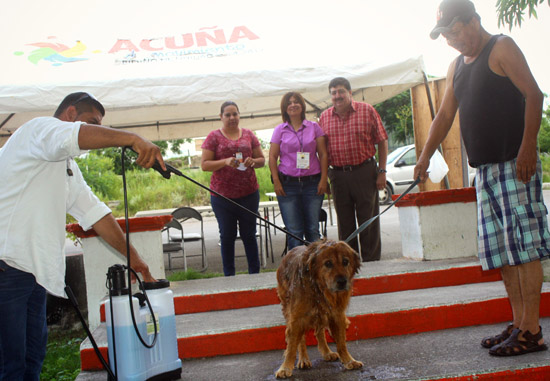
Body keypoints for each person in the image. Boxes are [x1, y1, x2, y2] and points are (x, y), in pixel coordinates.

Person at [415, 0, 549, 356]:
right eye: (445, 35)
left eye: (455, 31)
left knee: (524, 248)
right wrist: (425, 156)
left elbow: (534, 95)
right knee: (504, 253)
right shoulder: (457, 65)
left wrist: (527, 149)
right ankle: (519, 323)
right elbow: (444, 116)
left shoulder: (500, 46)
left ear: (473, 20)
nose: (452, 41)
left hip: (514, 164)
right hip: (485, 171)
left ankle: (532, 330)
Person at [0, 92, 164, 380]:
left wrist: (138, 263)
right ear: (70, 113)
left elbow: (97, 215)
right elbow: (78, 135)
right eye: (93, 122)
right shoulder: (38, 130)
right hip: (7, 268)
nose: (98, 130)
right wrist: (132, 138)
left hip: (33, 276)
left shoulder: (66, 167)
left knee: (31, 360)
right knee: (9, 365)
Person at [319, 77, 388, 262]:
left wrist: (382, 171)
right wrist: (323, 178)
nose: (337, 96)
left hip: (364, 172)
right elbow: (322, 151)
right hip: (338, 176)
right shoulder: (324, 117)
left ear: (350, 93)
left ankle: (372, 264)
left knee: (368, 222)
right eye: (333, 93)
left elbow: (382, 141)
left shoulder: (367, 110)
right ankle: (349, 265)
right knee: (345, 225)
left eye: (341, 91)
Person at [201, 101, 266, 276]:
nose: (232, 118)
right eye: (228, 115)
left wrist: (254, 161)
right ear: (221, 117)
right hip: (223, 197)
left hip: (249, 194)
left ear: (239, 115)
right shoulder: (213, 137)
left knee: (249, 235)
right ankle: (229, 277)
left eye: (235, 114)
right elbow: (205, 165)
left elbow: (262, 160)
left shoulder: (249, 135)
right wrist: (225, 161)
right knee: (227, 236)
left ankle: (255, 274)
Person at [269, 92, 328, 250]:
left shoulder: (314, 127)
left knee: (312, 230)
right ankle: (296, 272)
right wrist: (276, 182)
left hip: (312, 184)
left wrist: (323, 180)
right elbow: (272, 157)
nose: (293, 105)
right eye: (289, 102)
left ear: (302, 106)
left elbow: (323, 154)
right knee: (294, 231)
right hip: (288, 186)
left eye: (296, 102)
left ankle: (315, 271)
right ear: (284, 108)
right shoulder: (280, 130)